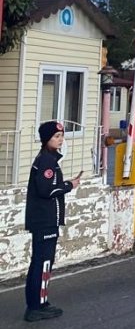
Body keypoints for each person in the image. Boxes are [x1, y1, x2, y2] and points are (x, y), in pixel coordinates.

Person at [23, 121, 81, 322]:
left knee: (40, 262)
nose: (60, 140)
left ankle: (39, 302)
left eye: (62, 136)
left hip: (45, 219)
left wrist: (65, 184)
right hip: (44, 220)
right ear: (46, 139)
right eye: (56, 136)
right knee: (43, 263)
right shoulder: (47, 161)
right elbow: (45, 190)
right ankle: (36, 307)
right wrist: (69, 185)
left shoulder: (48, 159)